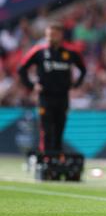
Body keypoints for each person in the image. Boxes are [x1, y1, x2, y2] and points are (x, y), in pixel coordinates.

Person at [18, 21, 86, 153]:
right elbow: (21, 69)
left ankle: (57, 159)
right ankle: (46, 159)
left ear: (61, 35)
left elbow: (83, 69)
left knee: (60, 129)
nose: (50, 38)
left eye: (53, 35)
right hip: (45, 97)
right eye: (48, 35)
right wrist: (32, 86)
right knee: (46, 130)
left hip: (63, 97)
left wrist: (76, 84)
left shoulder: (70, 52)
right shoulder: (39, 51)